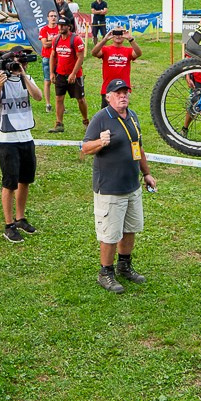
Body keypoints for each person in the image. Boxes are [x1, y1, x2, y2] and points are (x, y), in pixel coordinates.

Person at [80, 79, 156, 293]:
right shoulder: (101, 118)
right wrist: (100, 142)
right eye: (118, 93)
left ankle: (124, 265)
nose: (123, 96)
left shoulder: (132, 116)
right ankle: (105, 273)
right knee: (110, 233)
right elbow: (85, 148)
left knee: (130, 228)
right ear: (108, 97)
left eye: (125, 92)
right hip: (110, 188)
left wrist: (147, 173)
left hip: (132, 185)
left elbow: (138, 147)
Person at [0, 44, 44, 243]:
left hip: (26, 137)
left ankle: (20, 218)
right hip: (7, 139)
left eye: (24, 62)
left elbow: (38, 97)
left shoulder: (25, 79)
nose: (22, 65)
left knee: (25, 180)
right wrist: (0, 85)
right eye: (19, 62)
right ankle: (9, 224)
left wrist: (24, 76)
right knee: (9, 183)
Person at [47, 18, 86, 134]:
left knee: (80, 99)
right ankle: (59, 123)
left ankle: (86, 121)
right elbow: (53, 56)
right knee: (59, 98)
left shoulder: (76, 39)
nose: (60, 27)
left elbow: (80, 57)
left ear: (69, 26)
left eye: (63, 25)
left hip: (75, 75)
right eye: (59, 25)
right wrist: (52, 72)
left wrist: (73, 74)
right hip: (60, 74)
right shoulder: (56, 39)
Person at [89, 25, 142, 110]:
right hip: (107, 88)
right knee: (106, 114)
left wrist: (130, 39)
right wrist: (105, 39)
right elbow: (94, 53)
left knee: (122, 113)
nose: (118, 36)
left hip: (123, 88)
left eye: (121, 33)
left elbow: (138, 53)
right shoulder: (106, 49)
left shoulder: (128, 50)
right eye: (116, 33)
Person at [37, 10, 62, 93]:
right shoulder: (44, 29)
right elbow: (45, 44)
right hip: (47, 57)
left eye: (55, 16)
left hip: (59, 58)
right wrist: (57, 40)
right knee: (47, 81)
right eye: (51, 16)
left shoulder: (60, 29)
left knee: (59, 81)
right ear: (48, 18)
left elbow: (63, 41)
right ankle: (47, 101)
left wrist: (50, 40)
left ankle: (58, 99)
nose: (53, 18)